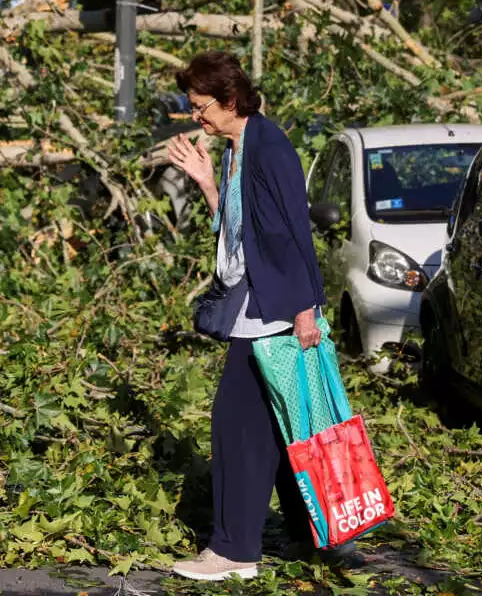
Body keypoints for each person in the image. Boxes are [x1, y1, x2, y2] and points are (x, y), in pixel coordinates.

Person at [164, 51, 327, 582]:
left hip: (273, 310)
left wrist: (306, 308)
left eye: (201, 106)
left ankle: (234, 553)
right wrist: (208, 184)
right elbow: (239, 233)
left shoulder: (270, 146)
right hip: (254, 307)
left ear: (231, 101)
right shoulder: (237, 148)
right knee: (279, 429)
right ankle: (315, 535)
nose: (196, 117)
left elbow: (294, 230)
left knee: (235, 427)